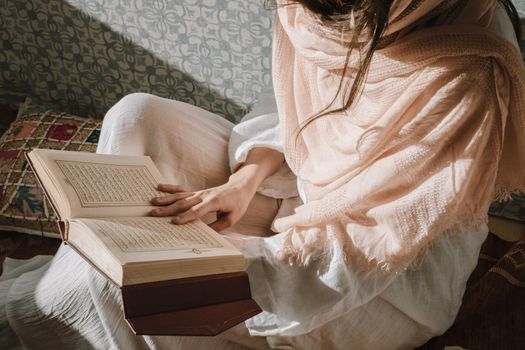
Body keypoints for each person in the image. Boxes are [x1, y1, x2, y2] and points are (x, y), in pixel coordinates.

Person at [2, 0, 525, 349]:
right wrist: (242, 182)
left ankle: (62, 308)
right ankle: (103, 280)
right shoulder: (310, 11)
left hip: (382, 277)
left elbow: (372, 245)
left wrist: (212, 265)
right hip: (303, 187)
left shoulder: (467, 67)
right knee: (136, 115)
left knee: (126, 288)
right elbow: (292, 105)